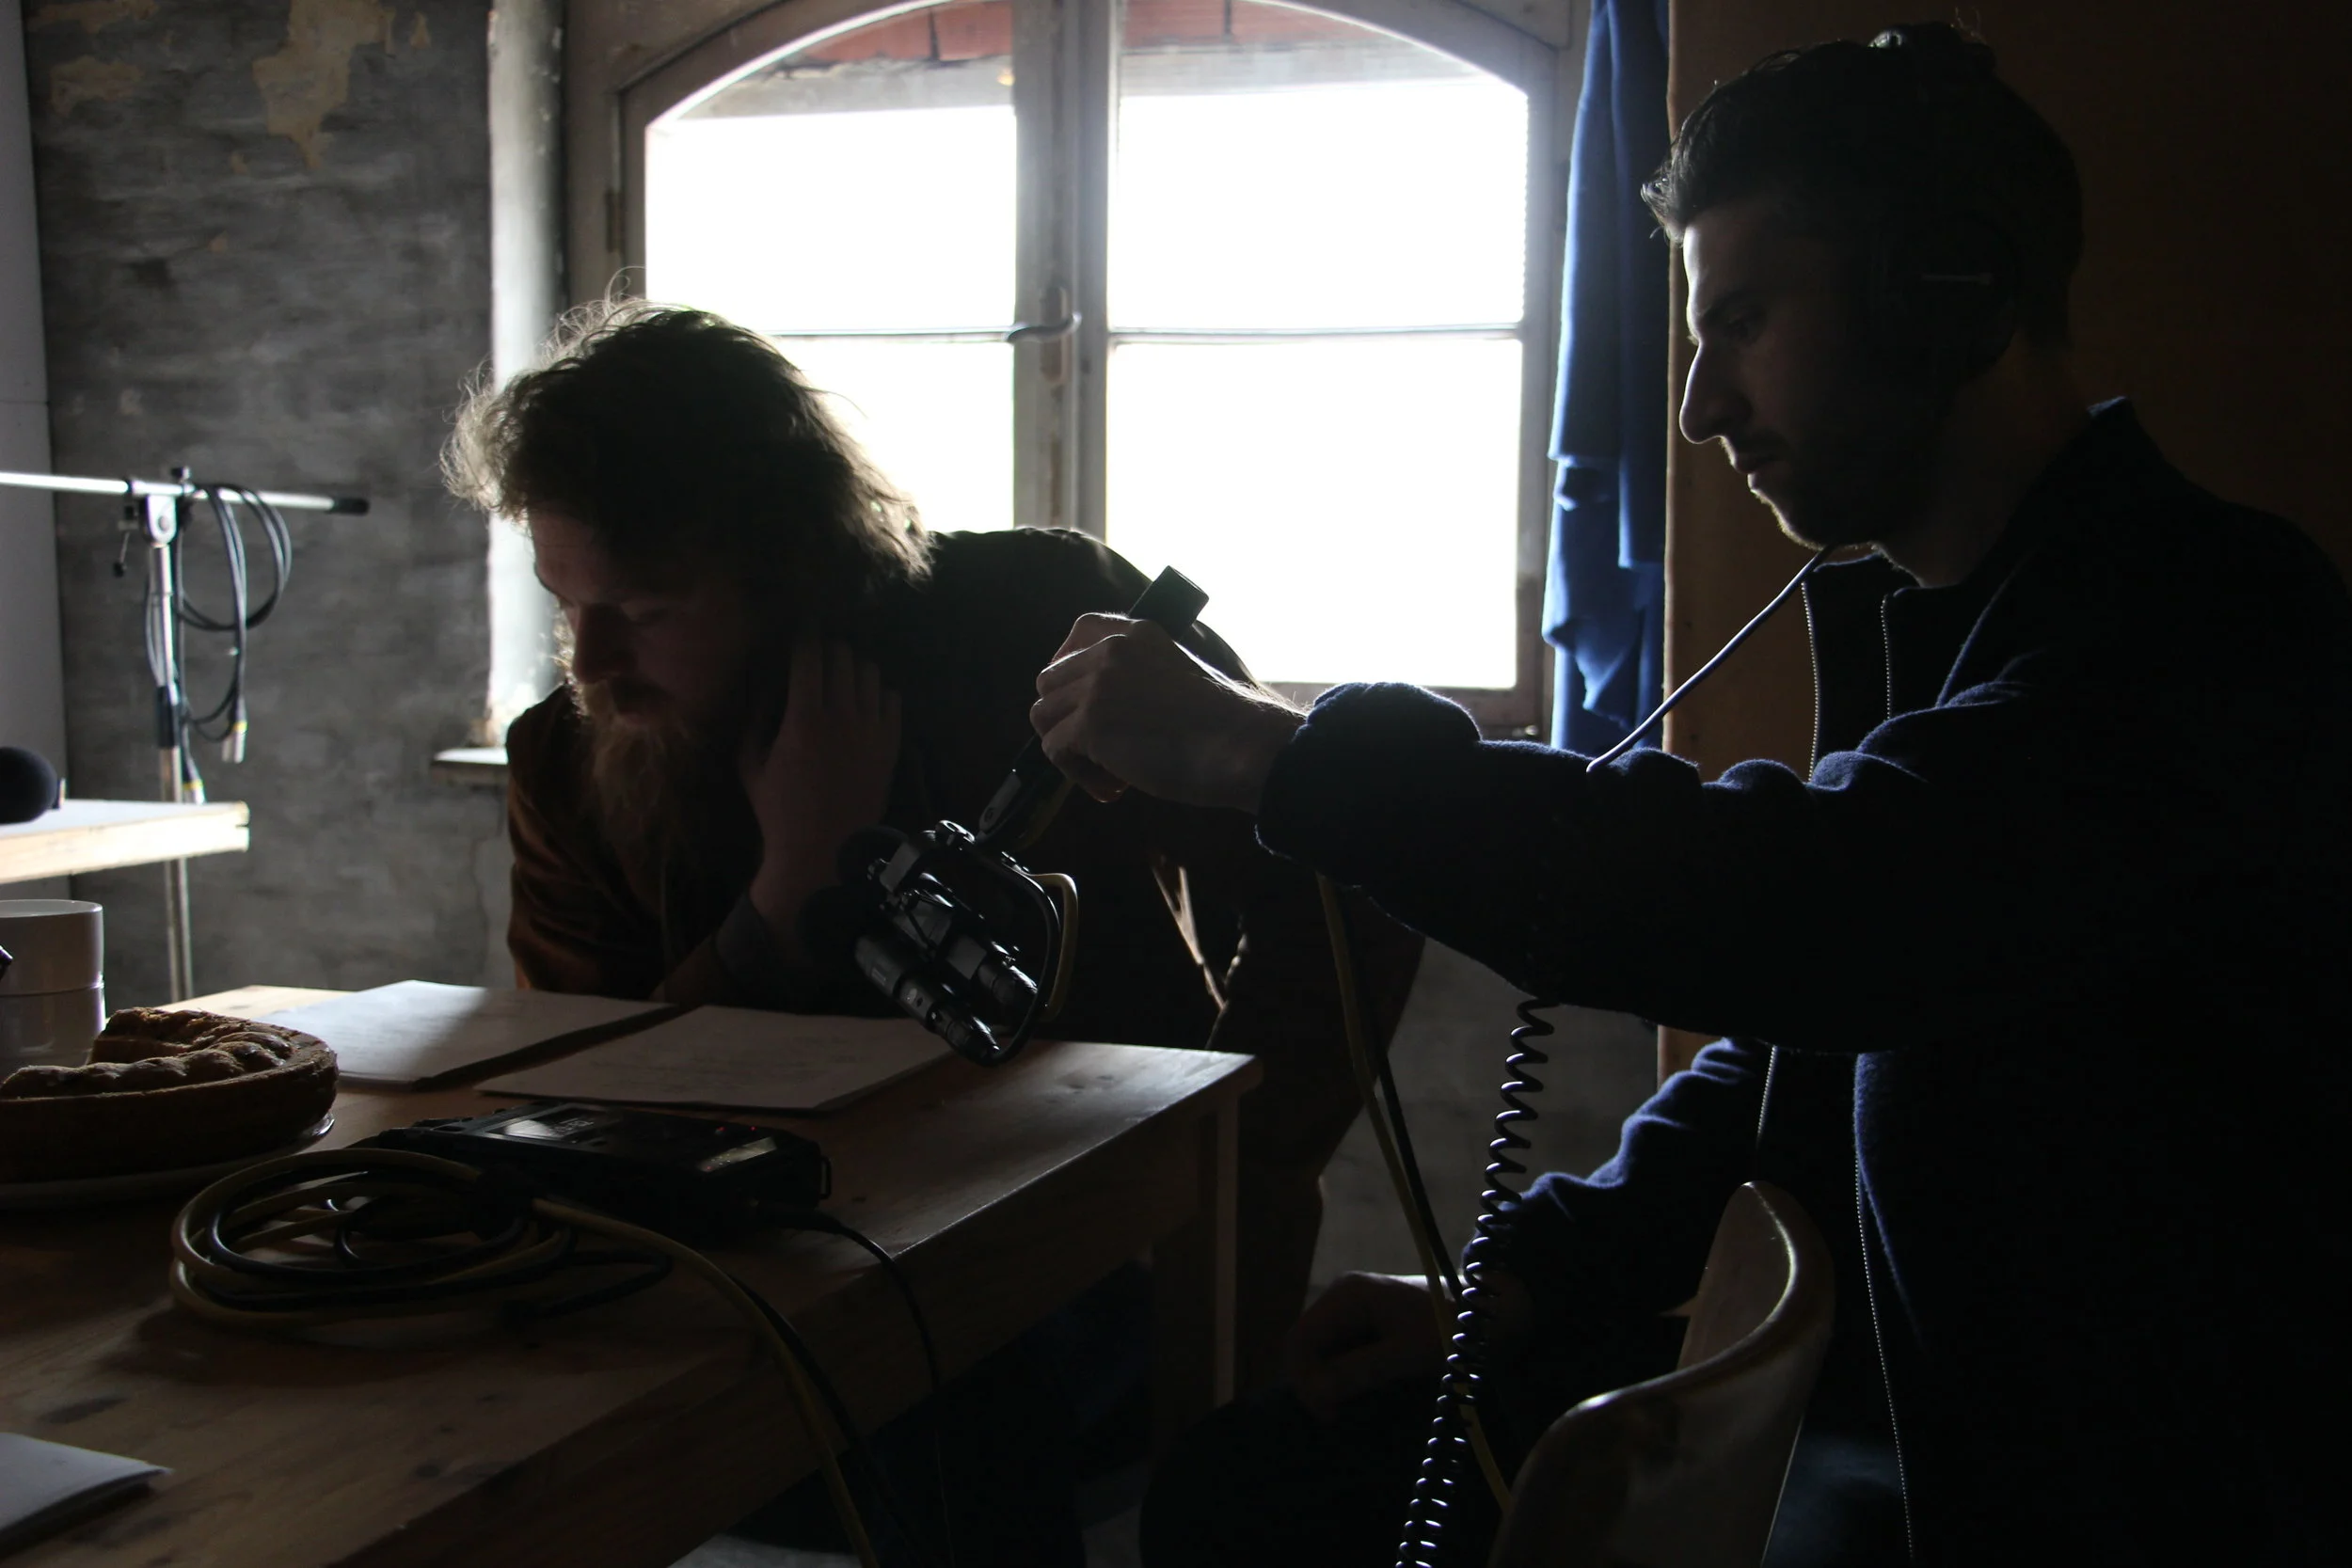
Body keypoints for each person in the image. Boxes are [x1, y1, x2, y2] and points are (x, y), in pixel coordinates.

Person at [1029, 24, 2352, 1567]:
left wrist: (1271, 755)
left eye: (1743, 321)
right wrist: (1536, 1270)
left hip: (2120, 1501)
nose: (1700, 407)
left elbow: (1826, 909)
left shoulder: (2209, 624)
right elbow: (1814, 1050)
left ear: (1946, 294)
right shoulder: (1977, 624)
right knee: (1259, 1479)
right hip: (1923, 1433)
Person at [443, 303, 1422, 1557]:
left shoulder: (1042, 624)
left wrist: (1246, 1155)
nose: (591, 664)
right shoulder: (564, 765)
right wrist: (787, 892)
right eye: (564, 603)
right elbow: (592, 1104)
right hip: (759, 1273)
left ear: (786, 563)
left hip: (1081, 1258)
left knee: (935, 1383)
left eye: (649, 610)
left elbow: (1342, 869)